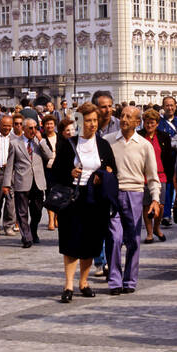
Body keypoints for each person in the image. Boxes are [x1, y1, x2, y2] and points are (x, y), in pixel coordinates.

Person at [51, 102, 118, 302]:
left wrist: (103, 176)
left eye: (95, 120)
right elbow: (54, 173)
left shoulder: (103, 145)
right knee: (71, 241)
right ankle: (69, 285)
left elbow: (113, 170)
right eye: (88, 120)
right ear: (80, 121)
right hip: (72, 198)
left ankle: (84, 282)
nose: (92, 124)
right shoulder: (67, 143)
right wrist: (68, 173)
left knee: (91, 241)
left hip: (95, 199)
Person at [107, 103, 161, 294]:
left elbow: (153, 177)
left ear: (138, 122)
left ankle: (129, 280)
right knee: (114, 238)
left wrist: (155, 199)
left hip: (135, 193)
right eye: (122, 116)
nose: (124, 119)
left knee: (133, 240)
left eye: (129, 117)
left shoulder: (144, 145)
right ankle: (114, 280)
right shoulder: (109, 141)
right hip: (113, 194)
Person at [5, 116, 50, 248]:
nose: (33, 130)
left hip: (37, 182)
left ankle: (33, 230)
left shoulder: (39, 142)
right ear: (24, 129)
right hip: (22, 181)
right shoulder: (15, 143)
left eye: (35, 128)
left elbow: (49, 156)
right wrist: (6, 184)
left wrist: (41, 140)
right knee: (22, 212)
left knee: (37, 211)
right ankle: (26, 237)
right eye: (30, 128)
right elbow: (10, 166)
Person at [139, 106, 171, 242]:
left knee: (160, 204)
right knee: (146, 205)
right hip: (144, 175)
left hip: (160, 174)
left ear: (157, 123)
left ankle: (157, 227)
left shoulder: (164, 136)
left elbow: (169, 157)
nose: (149, 125)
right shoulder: (139, 136)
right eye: (147, 122)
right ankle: (149, 232)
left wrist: (171, 176)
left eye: (152, 122)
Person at [41, 113, 61, 230]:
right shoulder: (42, 138)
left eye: (51, 124)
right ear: (44, 126)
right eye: (47, 124)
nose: (49, 126)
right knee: (48, 194)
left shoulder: (60, 137)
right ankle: (50, 219)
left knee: (58, 194)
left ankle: (57, 217)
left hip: (59, 169)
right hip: (47, 169)